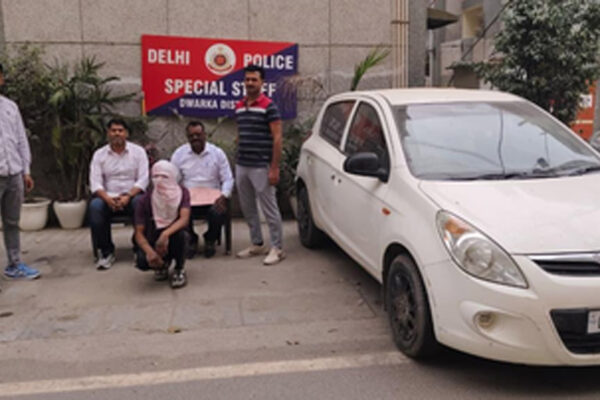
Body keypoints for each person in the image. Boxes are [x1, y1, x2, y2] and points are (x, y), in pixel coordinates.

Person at [234, 64, 285, 265]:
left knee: (269, 208)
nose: (250, 83)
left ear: (262, 82)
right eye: (247, 79)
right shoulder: (239, 105)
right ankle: (257, 243)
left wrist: (274, 167)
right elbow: (240, 132)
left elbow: (278, 138)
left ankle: (277, 248)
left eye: (254, 79)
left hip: (261, 165)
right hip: (242, 164)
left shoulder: (269, 106)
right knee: (248, 208)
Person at [88, 118, 149, 270]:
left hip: (132, 196)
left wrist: (128, 196)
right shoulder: (99, 155)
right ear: (108, 133)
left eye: (120, 130)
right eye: (113, 130)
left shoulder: (138, 152)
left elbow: (143, 179)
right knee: (95, 207)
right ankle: (106, 251)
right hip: (108, 198)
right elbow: (95, 183)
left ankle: (139, 248)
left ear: (126, 133)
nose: (117, 133)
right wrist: (107, 198)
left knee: (140, 203)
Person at [0, 63, 41, 280]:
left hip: (14, 174)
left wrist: (26, 170)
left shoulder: (10, 107)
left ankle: (14, 264)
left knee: (12, 222)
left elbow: (21, 140)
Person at [171, 121, 234, 258]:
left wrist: (224, 195)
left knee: (218, 211)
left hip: (213, 197)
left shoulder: (217, 153)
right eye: (191, 135)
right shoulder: (179, 154)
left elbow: (228, 178)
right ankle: (191, 239)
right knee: (180, 209)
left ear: (205, 135)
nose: (195, 138)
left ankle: (210, 239)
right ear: (187, 137)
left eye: (198, 134)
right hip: (189, 197)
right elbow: (173, 180)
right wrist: (177, 196)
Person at [134, 160, 190, 288]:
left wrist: (165, 235)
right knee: (142, 260)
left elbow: (184, 219)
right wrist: (150, 252)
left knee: (182, 236)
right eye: (155, 176)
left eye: (164, 176)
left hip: (174, 235)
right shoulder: (145, 200)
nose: (159, 180)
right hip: (153, 236)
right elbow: (139, 232)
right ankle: (161, 266)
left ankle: (179, 269)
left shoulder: (183, 193)